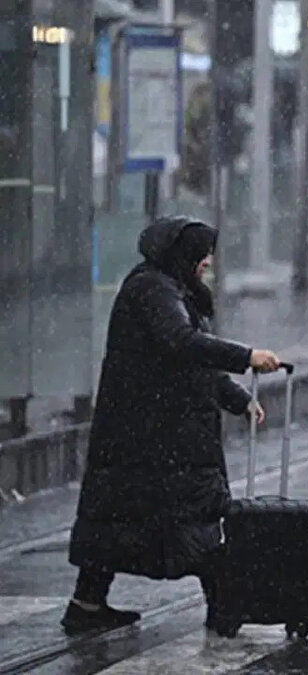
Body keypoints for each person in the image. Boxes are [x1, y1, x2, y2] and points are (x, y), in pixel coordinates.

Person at [64, 216, 282, 636]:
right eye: (202, 254)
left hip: (144, 432)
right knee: (192, 519)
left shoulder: (168, 287)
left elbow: (187, 361)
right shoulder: (153, 289)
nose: (207, 263)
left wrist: (237, 398)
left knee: (119, 519)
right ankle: (225, 608)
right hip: (157, 435)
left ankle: (87, 603)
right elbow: (182, 345)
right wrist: (245, 355)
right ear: (182, 255)